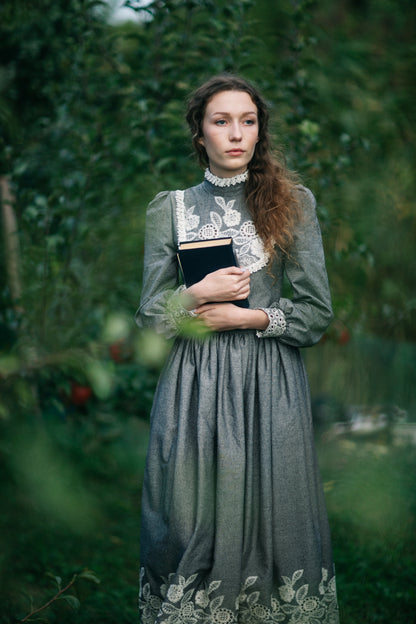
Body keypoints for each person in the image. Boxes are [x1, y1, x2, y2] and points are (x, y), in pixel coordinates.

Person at [136, 75, 339, 624]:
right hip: (194, 384)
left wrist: (247, 316)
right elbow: (151, 317)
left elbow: (317, 311)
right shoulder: (171, 208)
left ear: (259, 131)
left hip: (268, 382)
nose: (236, 134)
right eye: (220, 121)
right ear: (199, 134)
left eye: (247, 121)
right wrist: (198, 293)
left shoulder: (292, 201)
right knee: (186, 516)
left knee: (276, 520)